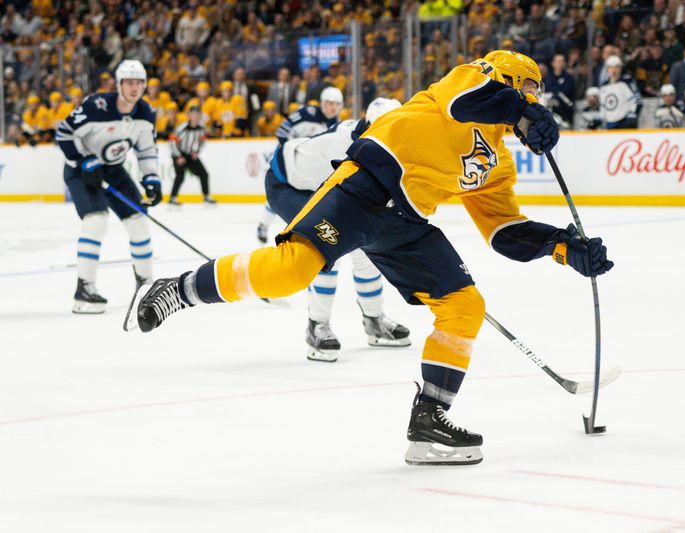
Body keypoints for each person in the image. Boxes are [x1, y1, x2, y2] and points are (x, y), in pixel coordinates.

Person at [124, 51, 613, 466]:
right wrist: (522, 110)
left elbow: (504, 231)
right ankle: (176, 289)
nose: (535, 98)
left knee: (465, 306)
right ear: (510, 78)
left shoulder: (498, 161)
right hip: (365, 185)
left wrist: (563, 246)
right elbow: (466, 104)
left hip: (406, 222)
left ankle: (428, 423)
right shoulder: (474, 78)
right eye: (530, 88)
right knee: (294, 270)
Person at [264, 97, 411, 362]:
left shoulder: (377, 141)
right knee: (324, 246)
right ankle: (316, 326)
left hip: (319, 183)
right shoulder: (343, 147)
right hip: (288, 185)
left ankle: (374, 321)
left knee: (367, 249)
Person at [55, 59, 162, 314]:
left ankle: (145, 288)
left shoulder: (145, 113)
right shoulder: (96, 106)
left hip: (113, 171)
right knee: (96, 220)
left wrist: (152, 180)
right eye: (129, 82)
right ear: (119, 84)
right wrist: (83, 161)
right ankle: (84, 289)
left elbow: (147, 150)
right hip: (81, 170)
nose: (134, 88)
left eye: (139, 83)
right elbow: (64, 133)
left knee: (138, 221)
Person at [257, 87, 343, 244]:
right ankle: (264, 226)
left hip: (308, 171)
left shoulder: (336, 124)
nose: (334, 108)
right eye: (331, 103)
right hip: (288, 165)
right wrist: (290, 154)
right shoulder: (307, 113)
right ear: (323, 103)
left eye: (338, 104)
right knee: (281, 197)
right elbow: (282, 131)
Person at [168, 106, 214, 205]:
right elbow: (172, 141)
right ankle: (172, 198)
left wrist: (197, 152)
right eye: (193, 114)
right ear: (189, 115)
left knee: (204, 174)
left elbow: (203, 141)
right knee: (180, 176)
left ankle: (206, 196)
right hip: (178, 153)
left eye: (197, 113)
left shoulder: (202, 127)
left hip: (189, 154)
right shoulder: (182, 127)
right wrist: (178, 156)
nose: (195, 116)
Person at [599, 55, 642, 129]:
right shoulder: (603, 86)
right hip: (610, 125)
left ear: (620, 68)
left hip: (625, 123)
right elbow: (603, 107)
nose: (614, 70)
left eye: (616, 67)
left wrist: (632, 116)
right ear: (607, 69)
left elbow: (638, 101)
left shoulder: (627, 81)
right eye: (611, 67)